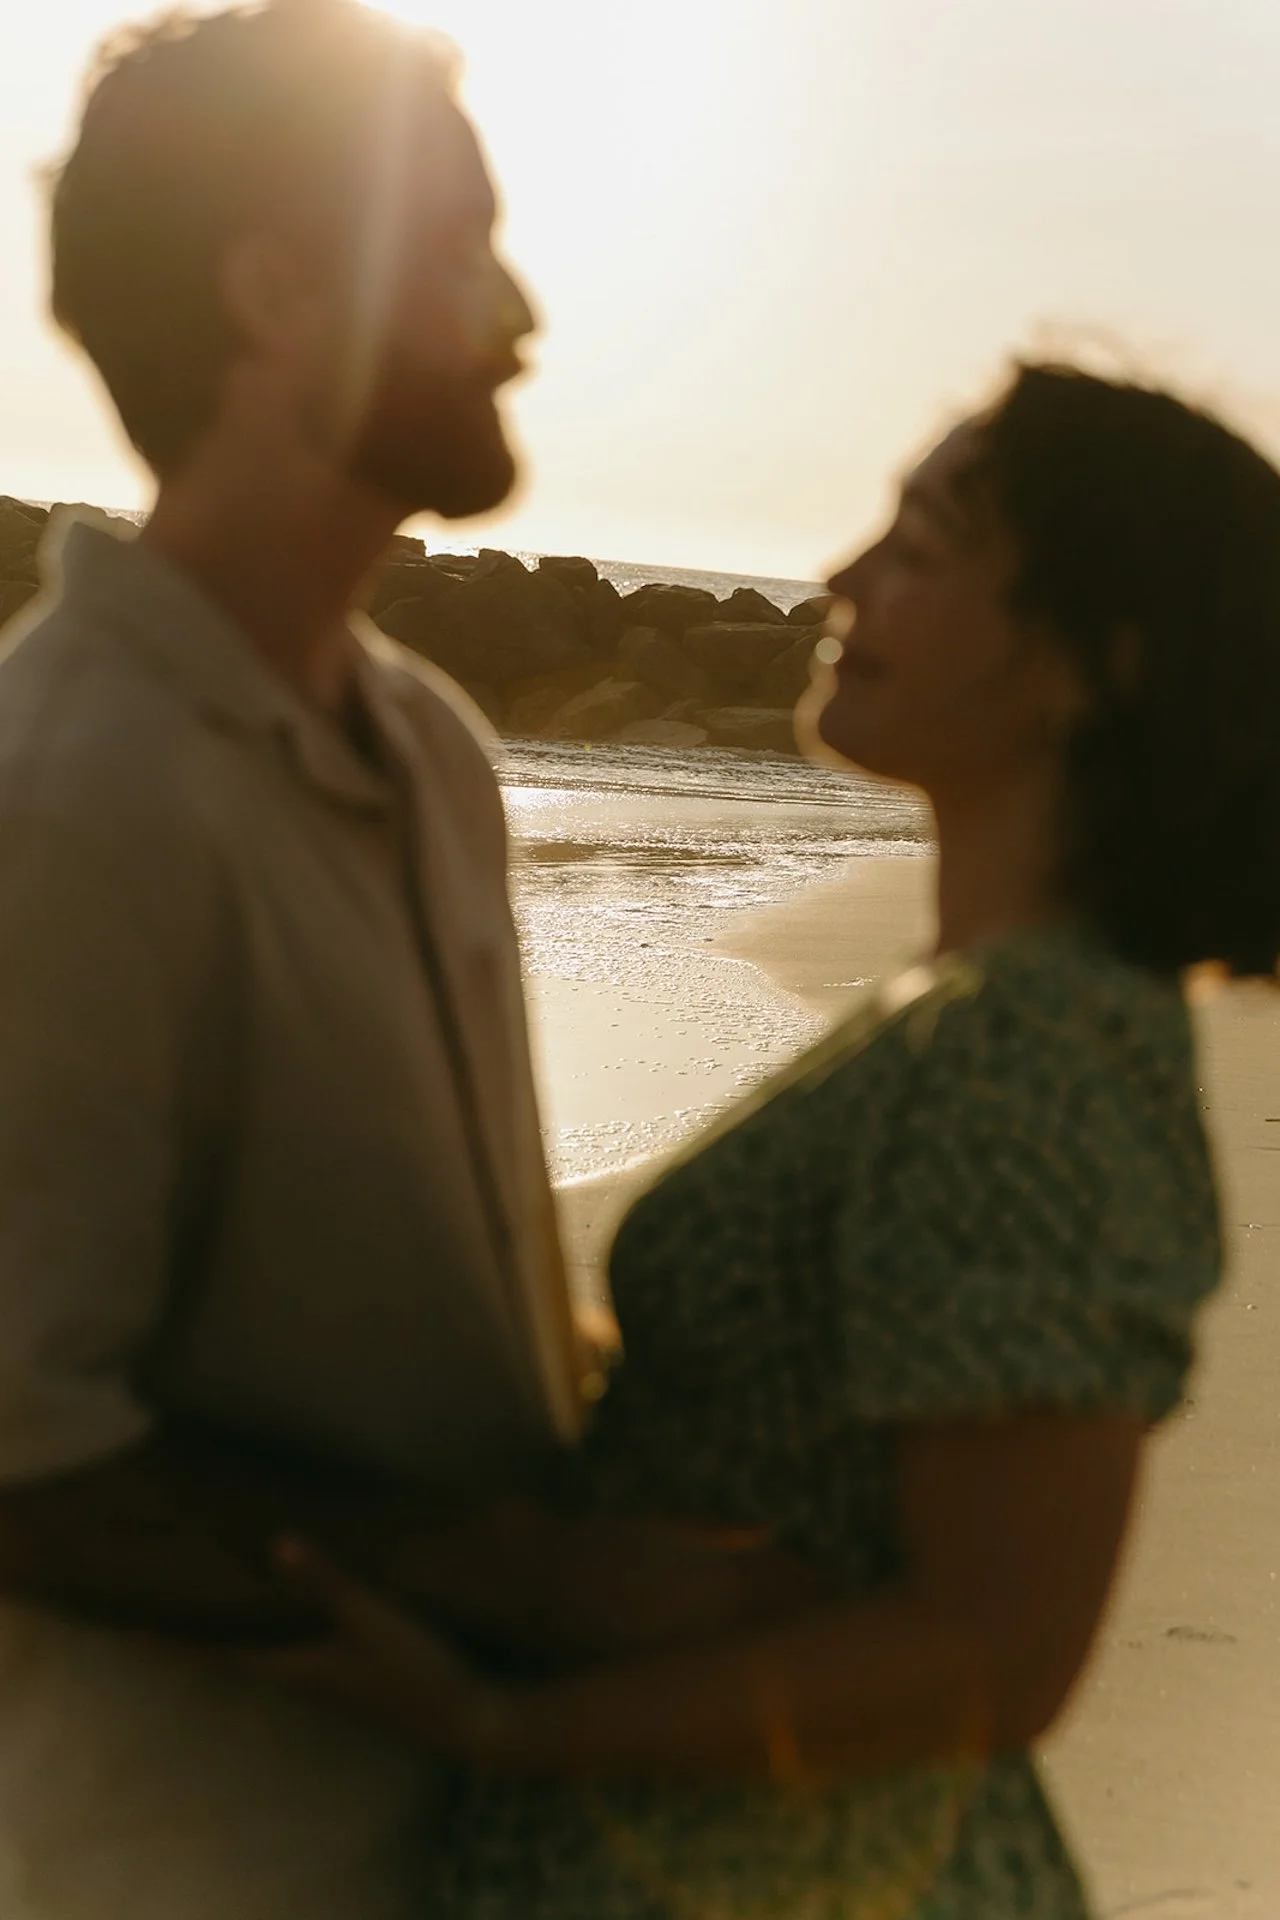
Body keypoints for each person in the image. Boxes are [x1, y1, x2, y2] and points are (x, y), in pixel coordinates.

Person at [245, 363, 1280, 1918]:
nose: (841, 578)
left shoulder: (1042, 1043)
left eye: (920, 552)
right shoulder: (962, 1010)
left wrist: (513, 1726)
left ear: (1089, 661)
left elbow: (997, 1653)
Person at [0, 3, 603, 1915]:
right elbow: (24, 1454)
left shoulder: (429, 747)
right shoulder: (72, 798)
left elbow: (465, 1327)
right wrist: (531, 1579)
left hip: (498, 1856)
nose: (519, 312)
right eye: (457, 248)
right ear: (276, 292)